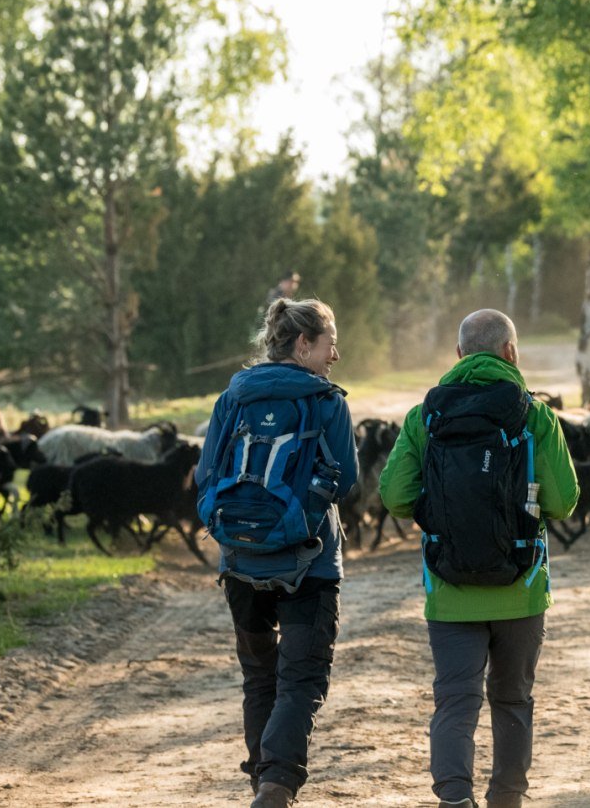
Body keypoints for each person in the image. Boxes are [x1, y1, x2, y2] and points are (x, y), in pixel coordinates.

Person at [380, 309, 580, 808]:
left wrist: (437, 514)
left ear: (459, 355)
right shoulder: (535, 415)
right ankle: (506, 798)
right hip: (522, 586)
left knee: (455, 700)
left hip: (449, 590)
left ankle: (453, 797)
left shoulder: (426, 414)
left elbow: (395, 496)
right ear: (511, 352)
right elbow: (563, 501)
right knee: (512, 700)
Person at [198, 298, 357, 808]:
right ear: (304, 343)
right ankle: (276, 784)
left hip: (240, 563)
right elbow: (347, 481)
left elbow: (206, 475)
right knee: (301, 679)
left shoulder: (233, 397)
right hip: (309, 564)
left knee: (258, 675)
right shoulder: (327, 400)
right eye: (330, 343)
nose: (335, 355)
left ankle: (262, 781)